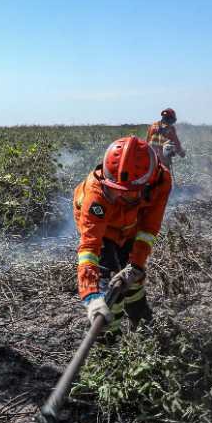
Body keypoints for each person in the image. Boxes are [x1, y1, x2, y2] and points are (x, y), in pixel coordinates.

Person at [73, 135, 172, 333]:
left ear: (146, 186)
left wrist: (136, 264)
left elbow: (149, 229)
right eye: (114, 190)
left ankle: (141, 320)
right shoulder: (97, 194)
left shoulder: (161, 182)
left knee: (132, 280)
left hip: (131, 226)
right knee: (108, 279)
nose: (117, 195)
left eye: (126, 192)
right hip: (104, 229)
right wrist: (91, 296)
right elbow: (89, 247)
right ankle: (108, 340)